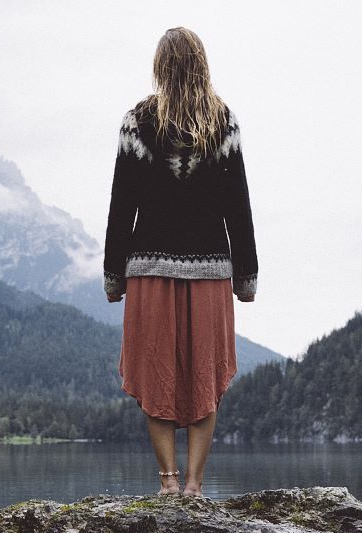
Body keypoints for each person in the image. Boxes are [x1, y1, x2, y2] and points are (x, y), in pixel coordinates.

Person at [103, 26, 258, 497]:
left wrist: (113, 276)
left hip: (149, 272)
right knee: (205, 375)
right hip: (210, 273)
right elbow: (238, 204)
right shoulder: (223, 121)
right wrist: (246, 277)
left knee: (155, 374)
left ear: (160, 66)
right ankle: (194, 484)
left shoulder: (136, 121)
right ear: (201, 64)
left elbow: (121, 203)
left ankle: (168, 482)